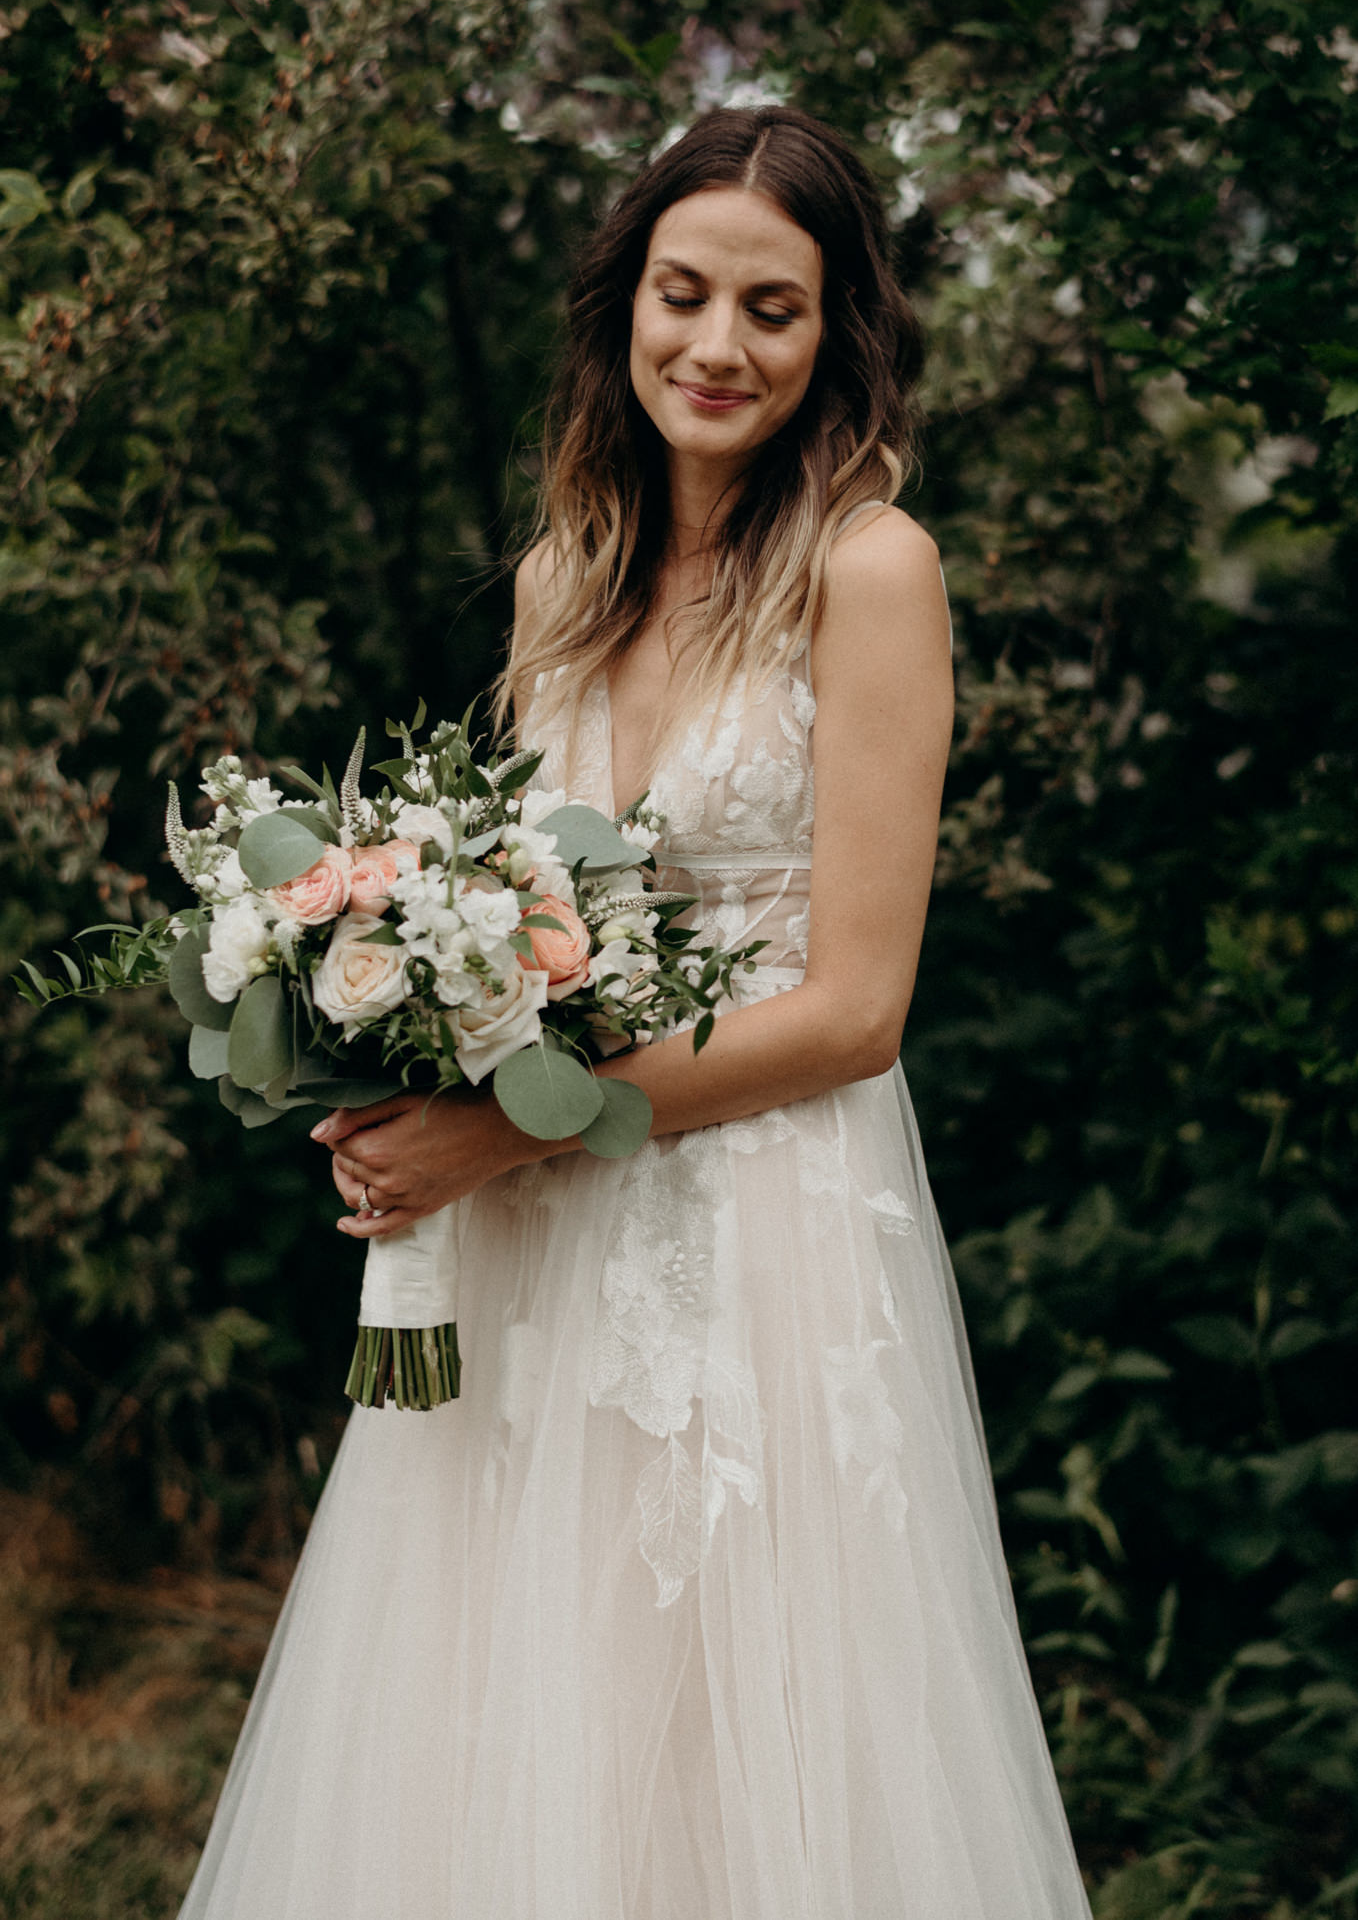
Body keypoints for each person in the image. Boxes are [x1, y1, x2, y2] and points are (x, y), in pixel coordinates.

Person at [178, 106, 1091, 1919]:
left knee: (755, 1729)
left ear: (837, 339)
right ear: (624, 309)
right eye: (685, 294)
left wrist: (494, 1121)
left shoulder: (868, 570)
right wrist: (399, 1045)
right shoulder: (562, 582)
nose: (720, 346)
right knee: (527, 1720)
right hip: (541, 1229)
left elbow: (855, 1009)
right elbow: (536, 931)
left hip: (767, 1228)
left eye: (775, 307)